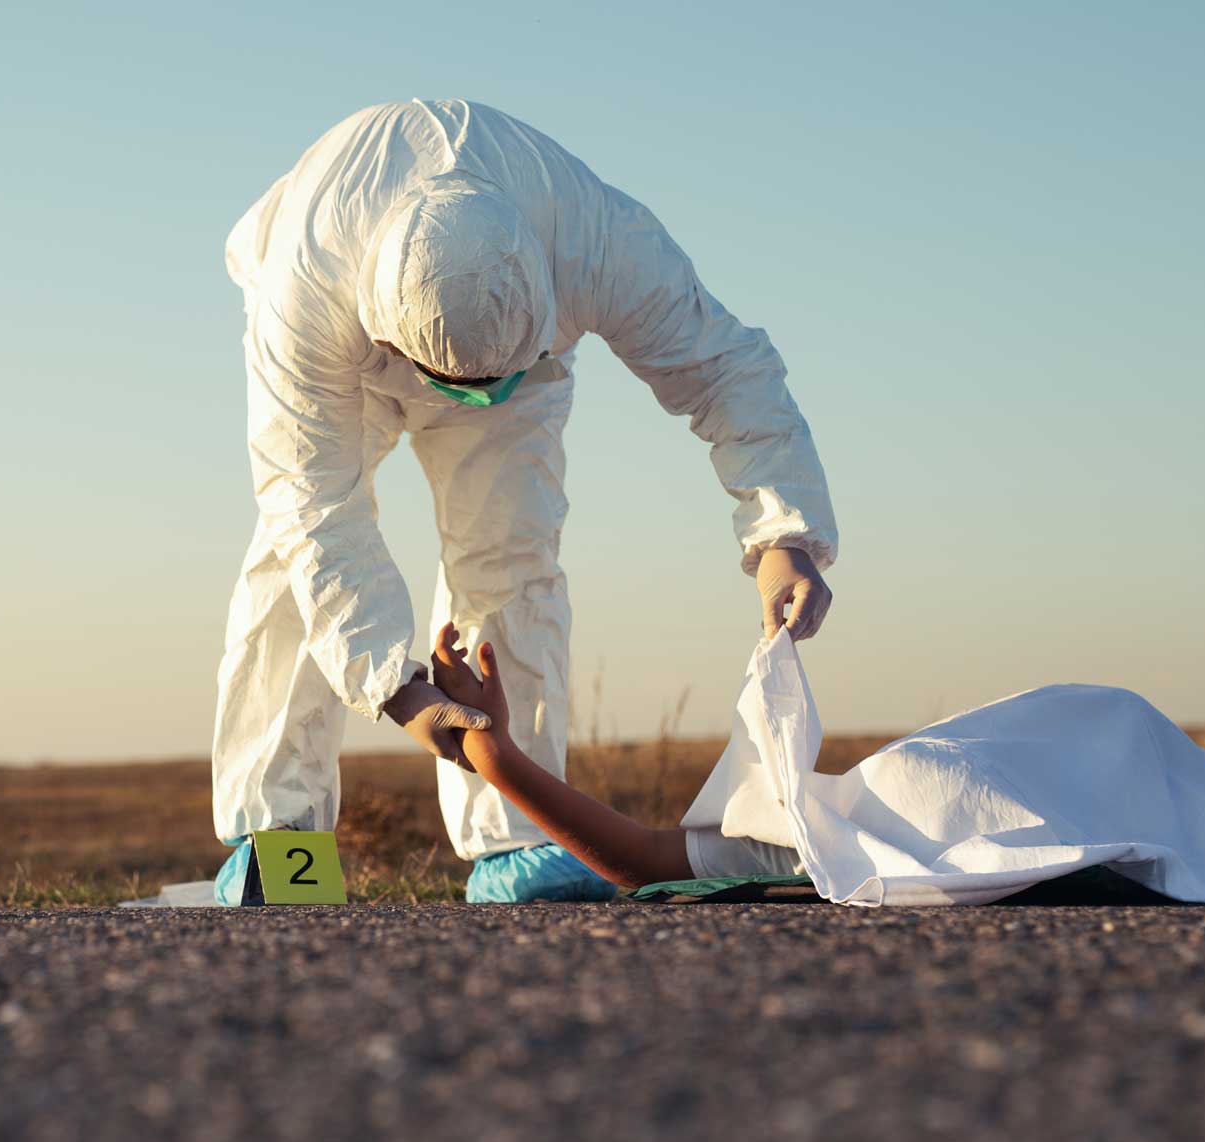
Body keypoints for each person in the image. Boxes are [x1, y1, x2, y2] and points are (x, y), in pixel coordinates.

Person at [212, 100, 839, 905]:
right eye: (454, 386)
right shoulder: (302, 290)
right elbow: (314, 509)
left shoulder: (598, 244)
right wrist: (396, 689)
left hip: (527, 364)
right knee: (292, 566)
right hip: (346, 360)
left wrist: (784, 530)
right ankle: (281, 840)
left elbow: (725, 368)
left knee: (511, 557)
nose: (463, 402)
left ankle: (514, 836)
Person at [425, 622, 1205, 904]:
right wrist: (497, 764)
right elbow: (636, 859)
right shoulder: (807, 841)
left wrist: (501, 764)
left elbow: (640, 857)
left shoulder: (819, 825)